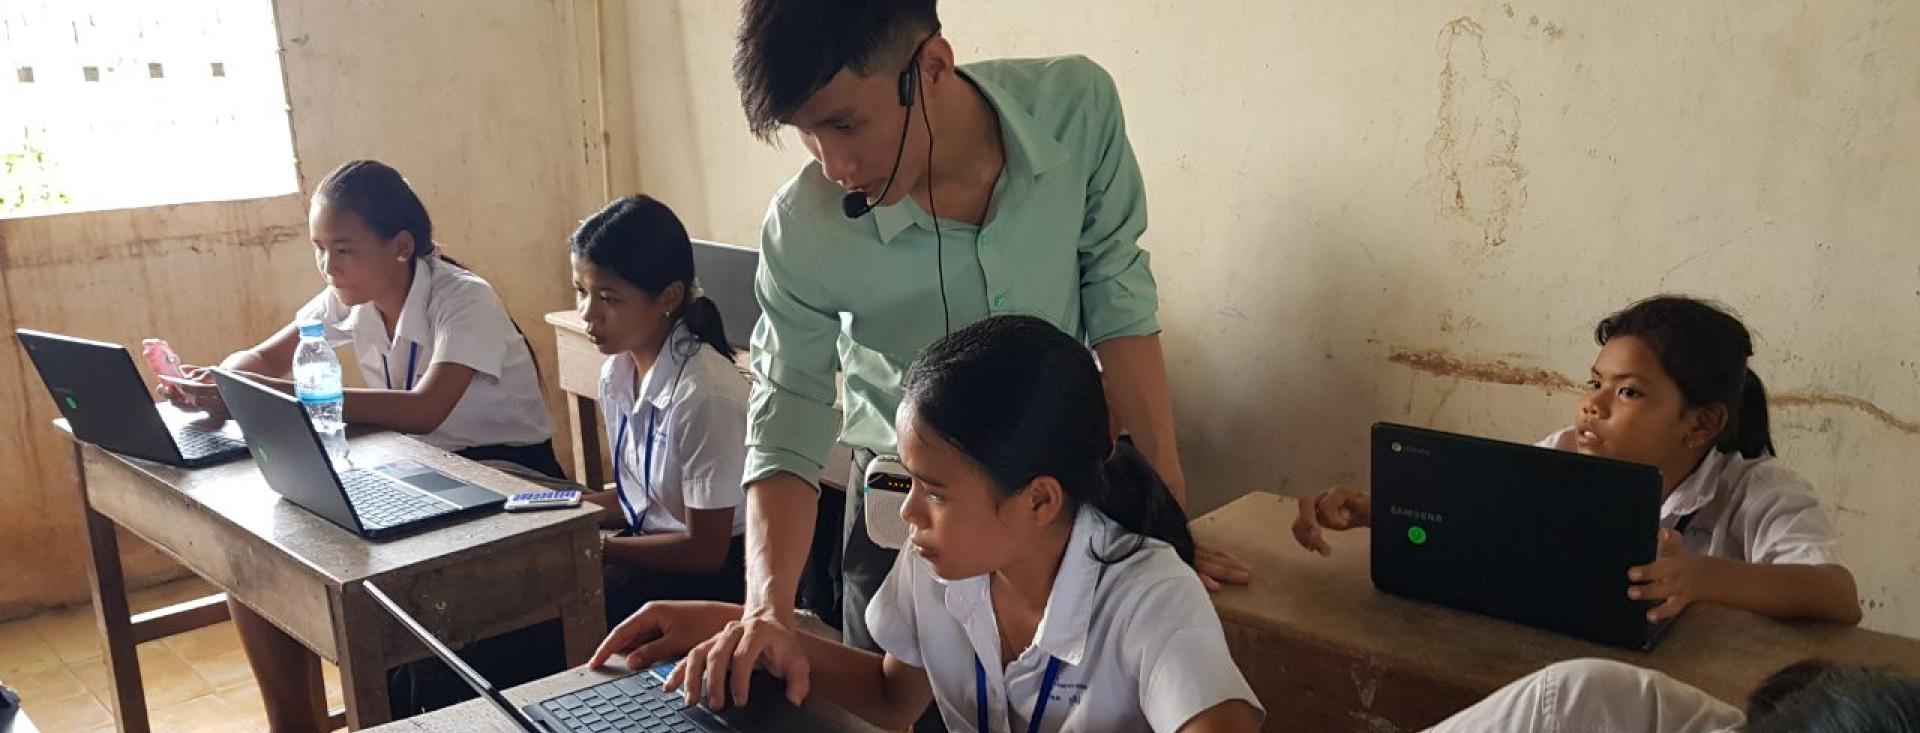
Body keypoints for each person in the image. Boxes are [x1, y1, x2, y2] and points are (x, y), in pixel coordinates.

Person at [592, 316, 1264, 732]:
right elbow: (892, 695)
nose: (908, 512)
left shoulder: (1149, 594)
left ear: (1038, 500)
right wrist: (729, 622)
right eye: (908, 479)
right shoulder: (943, 561)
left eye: (934, 490)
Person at [1293, 295, 1861, 625]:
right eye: (1595, 382)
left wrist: (1703, 577)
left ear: (1702, 423)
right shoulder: (1564, 453)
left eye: (1629, 392)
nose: (1592, 404)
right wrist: (1374, 509)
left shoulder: (1758, 495)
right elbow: (1484, 512)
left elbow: (1838, 596)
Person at [570, 195, 751, 624]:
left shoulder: (705, 394)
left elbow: (706, 550)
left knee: (555, 616)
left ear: (668, 296)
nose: (587, 314)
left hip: (715, 580)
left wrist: (594, 550)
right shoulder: (617, 371)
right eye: (581, 291)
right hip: (653, 549)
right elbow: (642, 497)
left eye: (609, 298)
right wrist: (569, 512)